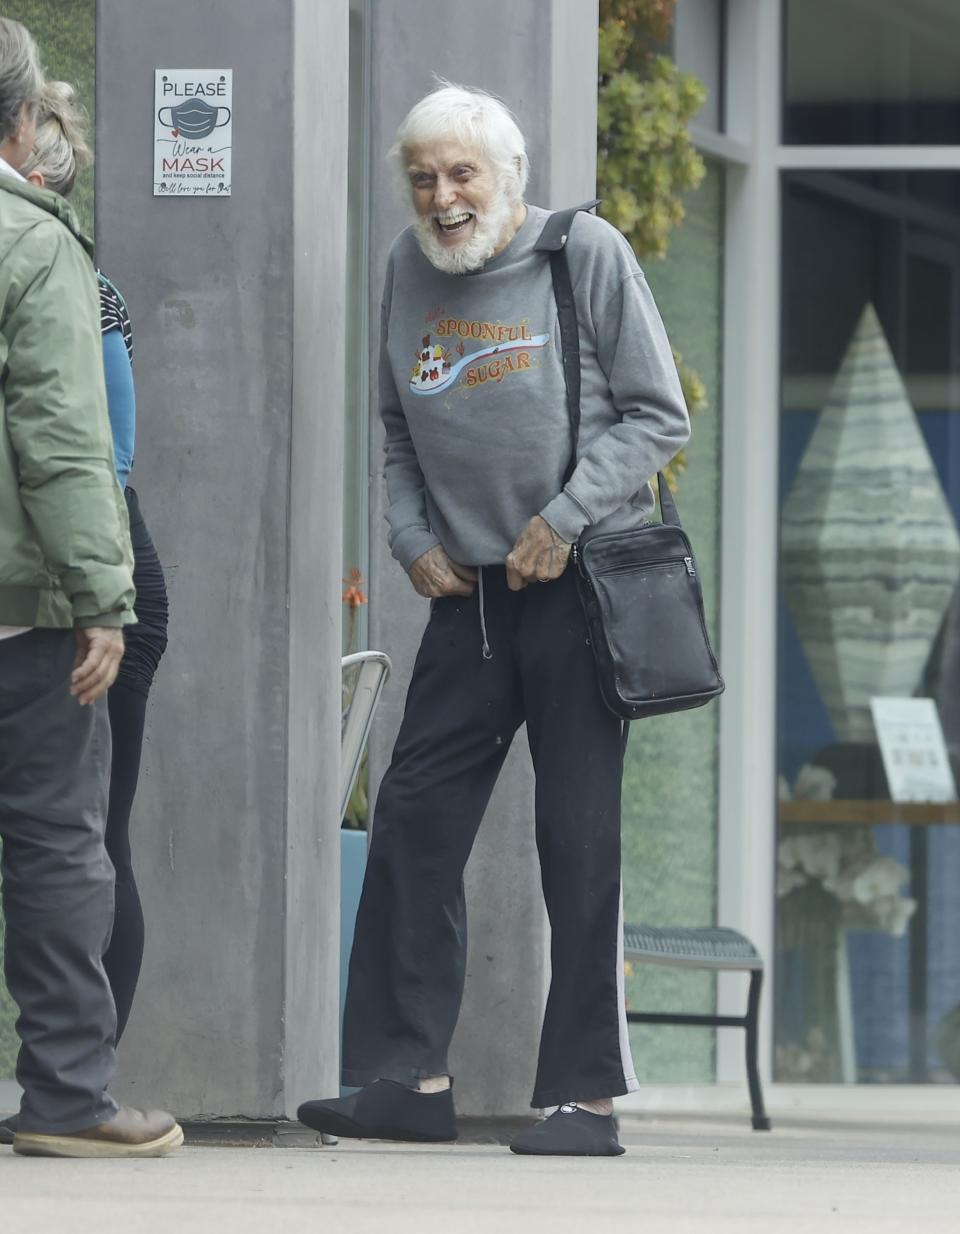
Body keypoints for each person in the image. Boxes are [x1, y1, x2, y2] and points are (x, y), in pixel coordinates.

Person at [298, 82, 690, 1156]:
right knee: (415, 821)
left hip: (578, 587)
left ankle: (586, 1101)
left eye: (462, 173)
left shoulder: (583, 254)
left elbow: (661, 415)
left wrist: (561, 520)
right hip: (467, 598)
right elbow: (394, 426)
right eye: (423, 176)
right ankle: (406, 1075)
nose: (442, 195)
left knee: (576, 839)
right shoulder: (406, 270)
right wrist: (410, 536)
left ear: (507, 177)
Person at [0, 18, 180, 1158]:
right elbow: (65, 440)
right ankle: (68, 1095)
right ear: (22, 123)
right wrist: (102, 596)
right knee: (62, 840)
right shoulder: (32, 243)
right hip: (23, 611)